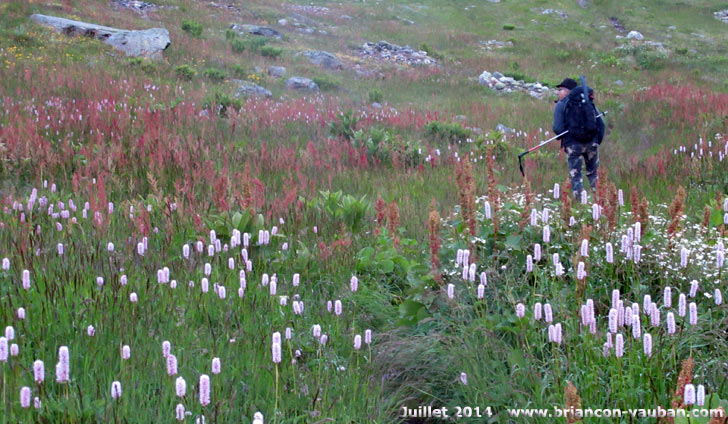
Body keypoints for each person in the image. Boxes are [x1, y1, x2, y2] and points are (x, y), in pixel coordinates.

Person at [553, 77, 605, 198]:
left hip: (573, 145)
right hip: (592, 143)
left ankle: (580, 203)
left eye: (560, 89)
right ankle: (600, 200)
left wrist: (568, 138)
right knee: (593, 174)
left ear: (567, 91)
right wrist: (596, 142)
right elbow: (601, 124)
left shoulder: (562, 105)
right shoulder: (587, 102)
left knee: (576, 176)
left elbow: (557, 128)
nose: (558, 92)